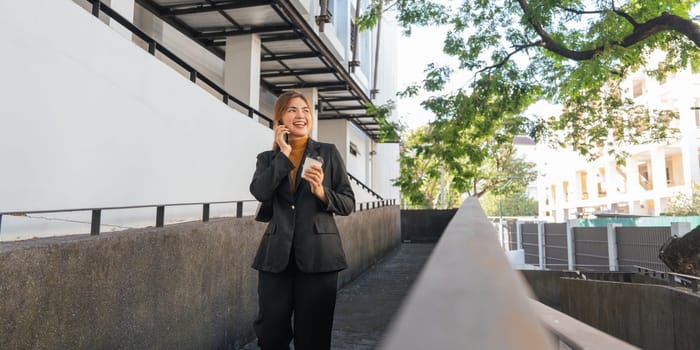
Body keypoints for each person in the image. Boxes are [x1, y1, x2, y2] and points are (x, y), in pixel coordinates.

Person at [249, 90, 355, 350]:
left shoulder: (327, 153)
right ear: (280, 119)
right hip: (276, 259)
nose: (301, 115)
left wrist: (321, 192)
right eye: (293, 110)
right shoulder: (268, 158)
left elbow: (348, 203)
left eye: (305, 110)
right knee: (271, 334)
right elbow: (260, 191)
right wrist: (283, 155)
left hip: (319, 258)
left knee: (314, 337)